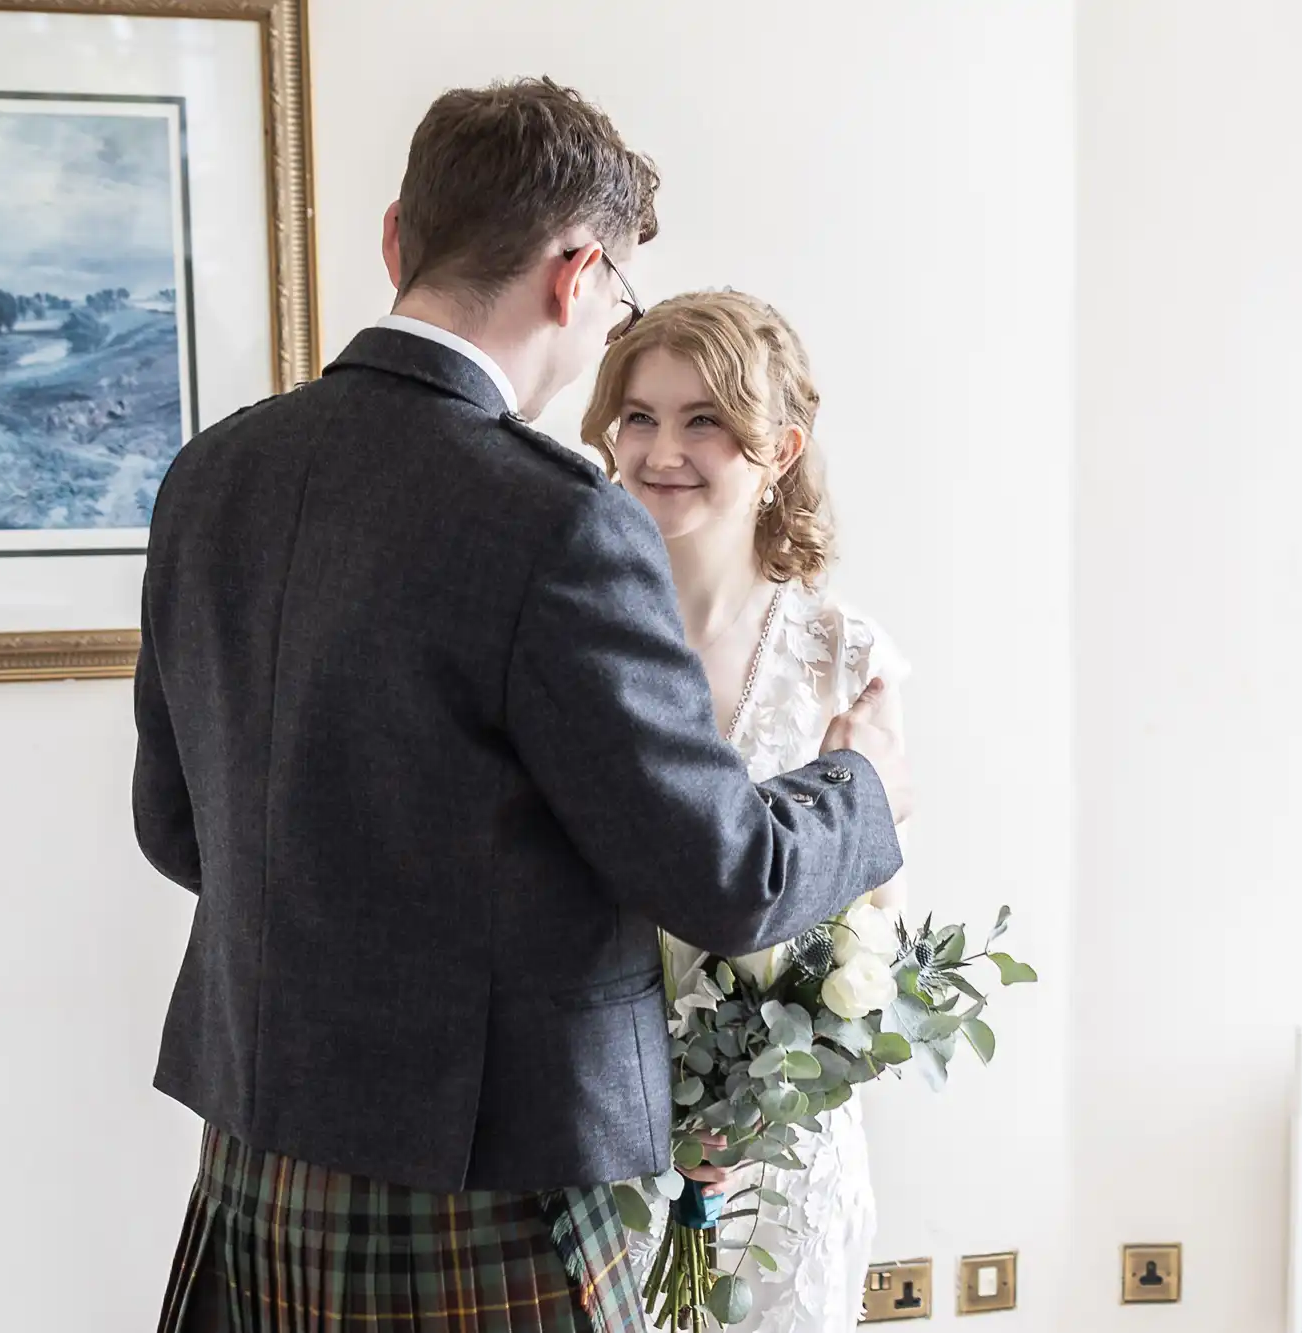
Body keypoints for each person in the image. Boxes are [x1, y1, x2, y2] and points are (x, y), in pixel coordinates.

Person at [131, 79, 912, 1333]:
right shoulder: (554, 515)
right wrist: (862, 779)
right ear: (575, 272)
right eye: (616, 297)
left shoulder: (211, 471)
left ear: (396, 238)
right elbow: (725, 875)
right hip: (489, 1186)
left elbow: (176, 829)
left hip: (257, 1154)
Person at [580, 291, 912, 1333]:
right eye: (637, 415)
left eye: (703, 419)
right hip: (601, 1137)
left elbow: (876, 926)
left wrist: (747, 1101)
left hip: (784, 1158)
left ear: (779, 448)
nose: (661, 448)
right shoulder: (569, 640)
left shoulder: (843, 659)